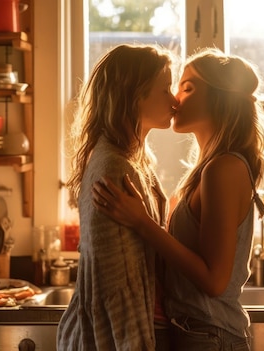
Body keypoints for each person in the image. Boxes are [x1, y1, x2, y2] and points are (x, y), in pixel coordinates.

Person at [93, 48, 264, 350]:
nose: (176, 99)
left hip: (210, 335)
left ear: (219, 99)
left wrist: (142, 223)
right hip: (194, 331)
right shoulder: (206, 169)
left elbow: (214, 281)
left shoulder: (224, 168)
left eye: (187, 88)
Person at [56, 44, 178, 351]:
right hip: (132, 337)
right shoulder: (114, 168)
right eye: (165, 90)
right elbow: (116, 280)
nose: (175, 101)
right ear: (134, 96)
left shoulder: (133, 158)